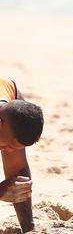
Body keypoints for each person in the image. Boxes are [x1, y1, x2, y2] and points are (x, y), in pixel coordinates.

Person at [0, 77, 44, 233]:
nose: (9, 150)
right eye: (8, 145)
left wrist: (29, 229)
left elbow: (17, 170)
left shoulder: (13, 100)